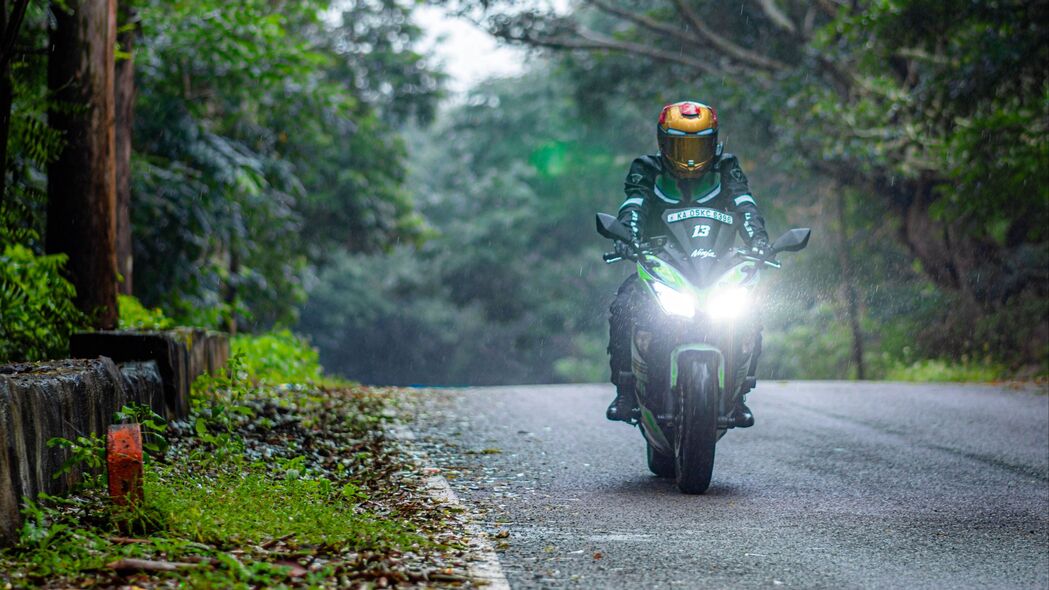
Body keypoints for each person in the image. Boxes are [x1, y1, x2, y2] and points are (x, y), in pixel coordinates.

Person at [606, 100, 769, 423]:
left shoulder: (727, 167)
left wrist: (760, 241)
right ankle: (625, 392)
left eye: (699, 145)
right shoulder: (646, 169)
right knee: (624, 305)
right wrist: (628, 238)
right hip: (661, 265)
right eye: (680, 146)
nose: (690, 157)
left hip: (719, 266)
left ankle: (740, 392)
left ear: (714, 142)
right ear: (663, 143)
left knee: (751, 309)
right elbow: (633, 206)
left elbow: (745, 206)